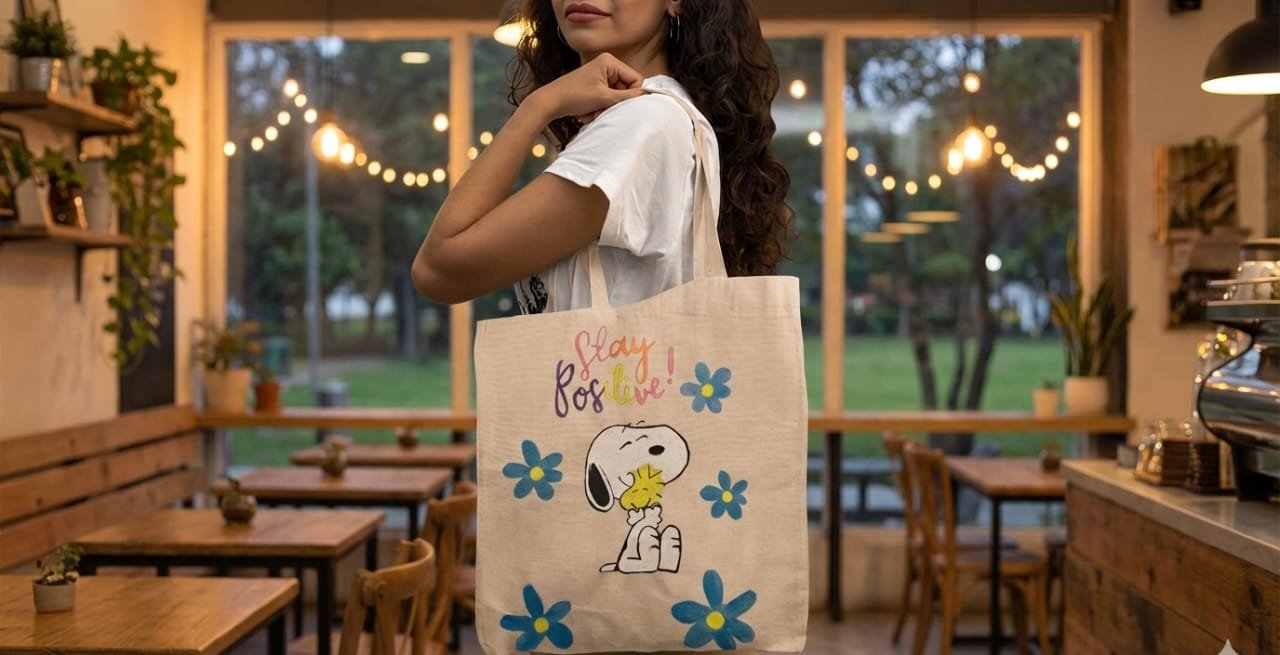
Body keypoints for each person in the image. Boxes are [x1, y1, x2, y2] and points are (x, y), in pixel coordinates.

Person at [412, 0, 794, 312]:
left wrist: (538, 105)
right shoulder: (662, 116)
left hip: (615, 405)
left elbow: (439, 270)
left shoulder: (642, 124)